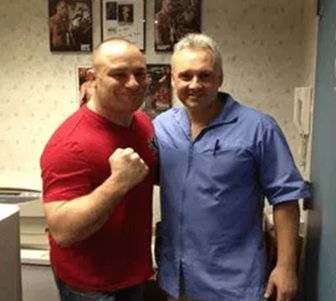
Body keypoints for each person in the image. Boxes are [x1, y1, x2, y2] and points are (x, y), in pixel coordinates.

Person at [153, 33, 311, 301]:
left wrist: (285, 267)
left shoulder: (258, 128)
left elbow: (285, 200)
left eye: (205, 75)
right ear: (172, 78)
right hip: (177, 279)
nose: (195, 84)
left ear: (220, 78)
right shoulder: (161, 127)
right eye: (186, 76)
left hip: (234, 283)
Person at [40, 38, 157, 301]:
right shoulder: (69, 143)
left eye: (140, 73)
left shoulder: (141, 123)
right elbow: (62, 231)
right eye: (119, 74)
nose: (133, 83)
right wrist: (118, 183)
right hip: (91, 287)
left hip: (134, 273)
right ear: (94, 78)